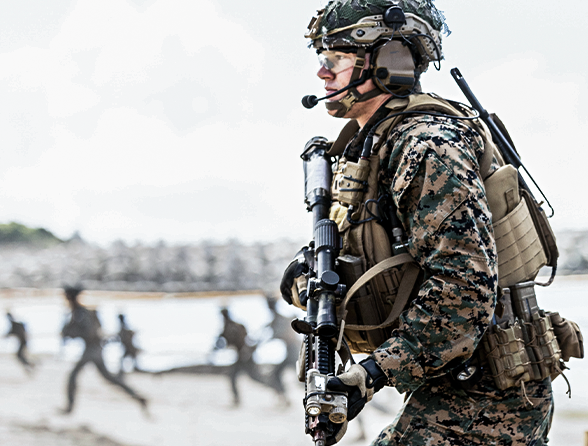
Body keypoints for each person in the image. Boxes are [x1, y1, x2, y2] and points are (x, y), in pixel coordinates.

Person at [287, 0, 553, 443]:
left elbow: (465, 291)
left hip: (487, 392)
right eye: (322, 59)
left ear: (390, 61)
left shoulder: (427, 146)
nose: (322, 73)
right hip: (448, 382)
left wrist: (370, 374)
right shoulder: (373, 144)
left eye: (336, 59)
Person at [60, 286, 148, 415]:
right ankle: (138, 397)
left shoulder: (81, 313)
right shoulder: (76, 312)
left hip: (92, 350)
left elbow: (90, 333)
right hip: (93, 350)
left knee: (73, 376)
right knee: (109, 378)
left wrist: (72, 333)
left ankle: (69, 408)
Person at [214, 306, 286, 407]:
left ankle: (280, 391)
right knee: (234, 376)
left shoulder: (232, 327)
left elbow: (233, 341)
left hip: (245, 357)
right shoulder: (233, 326)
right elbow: (222, 342)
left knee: (255, 377)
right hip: (242, 357)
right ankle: (236, 399)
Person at [261, 296, 300, 393]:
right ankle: (283, 397)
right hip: (293, 352)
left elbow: (284, 334)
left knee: (278, 374)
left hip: (294, 351)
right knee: (277, 374)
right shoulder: (276, 320)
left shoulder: (279, 320)